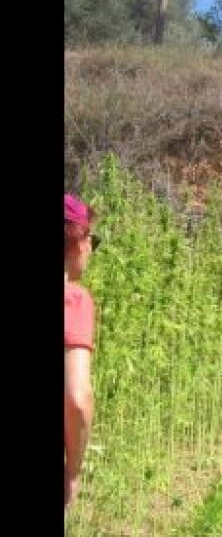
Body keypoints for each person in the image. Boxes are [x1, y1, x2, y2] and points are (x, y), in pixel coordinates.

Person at [65, 194, 100, 511]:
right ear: (78, 241)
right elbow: (77, 398)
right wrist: (73, 472)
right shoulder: (73, 299)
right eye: (93, 240)